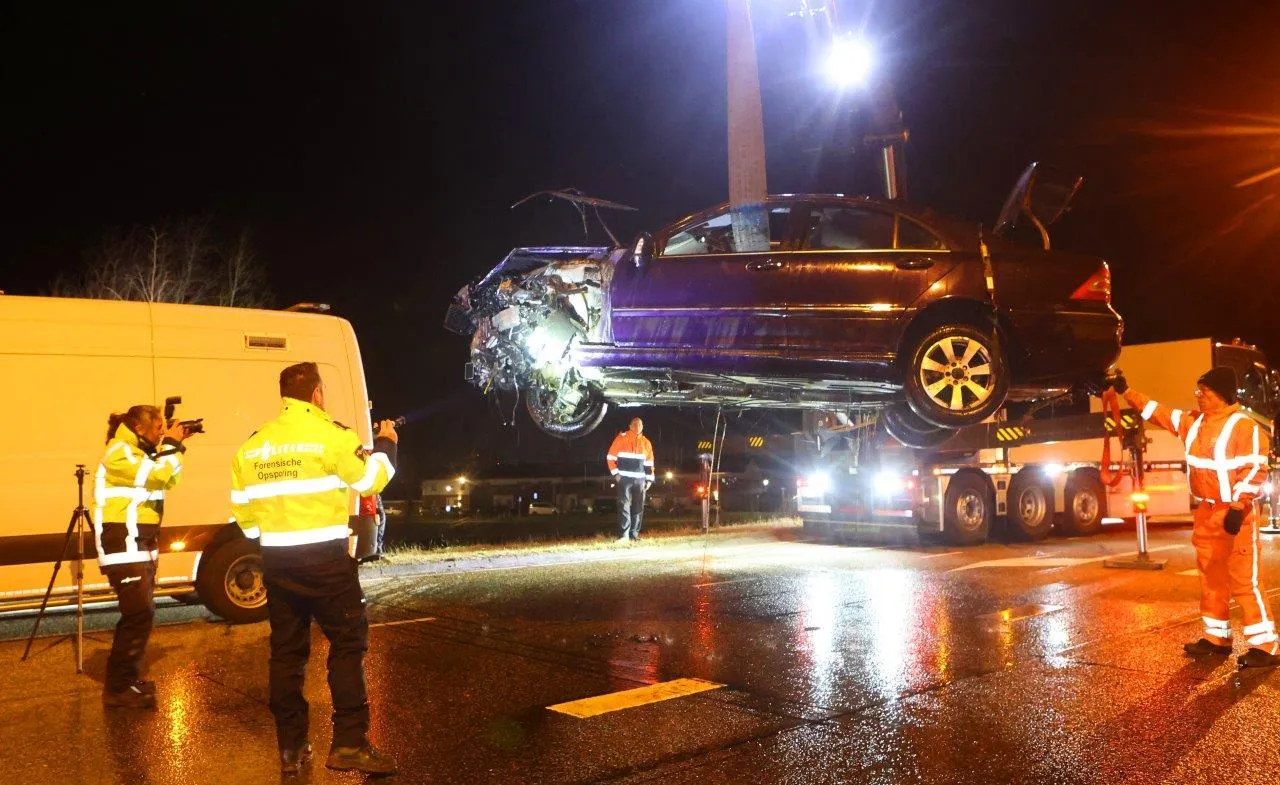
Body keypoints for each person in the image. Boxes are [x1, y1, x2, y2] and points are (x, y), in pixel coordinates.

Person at [231, 362, 400, 775]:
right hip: (326, 562)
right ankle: (348, 744)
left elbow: (243, 515)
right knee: (347, 646)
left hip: (277, 561)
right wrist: (386, 444)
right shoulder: (333, 436)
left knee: (286, 656)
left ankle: (291, 749)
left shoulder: (252, 447)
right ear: (317, 394)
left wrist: (272, 533)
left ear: (284, 394)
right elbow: (369, 482)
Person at [1106, 366, 1278, 667]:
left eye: (1204, 391)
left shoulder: (1243, 426)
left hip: (1235, 513)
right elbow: (1155, 411)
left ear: (1222, 394)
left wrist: (1239, 506)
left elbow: (1255, 469)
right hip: (1208, 512)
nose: (1198, 396)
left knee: (1243, 581)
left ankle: (1266, 646)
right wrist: (1125, 390)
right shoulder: (1194, 422)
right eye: (1198, 390)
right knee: (1211, 580)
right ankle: (1217, 639)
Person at [94, 405, 188, 708]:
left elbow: (165, 477)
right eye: (158, 426)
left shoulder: (137, 452)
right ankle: (118, 689)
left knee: (139, 614)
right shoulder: (119, 452)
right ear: (138, 427)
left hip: (137, 544)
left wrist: (168, 445)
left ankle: (126, 680)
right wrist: (173, 445)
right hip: (125, 545)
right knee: (139, 614)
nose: (161, 432)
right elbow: (162, 476)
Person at [606, 417, 655, 542]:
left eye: (640, 424)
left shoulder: (646, 442)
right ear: (630, 426)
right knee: (624, 506)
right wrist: (616, 474)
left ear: (642, 426)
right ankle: (624, 536)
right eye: (635, 424)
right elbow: (610, 457)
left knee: (638, 508)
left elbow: (649, 463)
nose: (638, 426)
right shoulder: (621, 438)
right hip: (625, 479)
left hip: (640, 480)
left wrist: (649, 480)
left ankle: (634, 535)